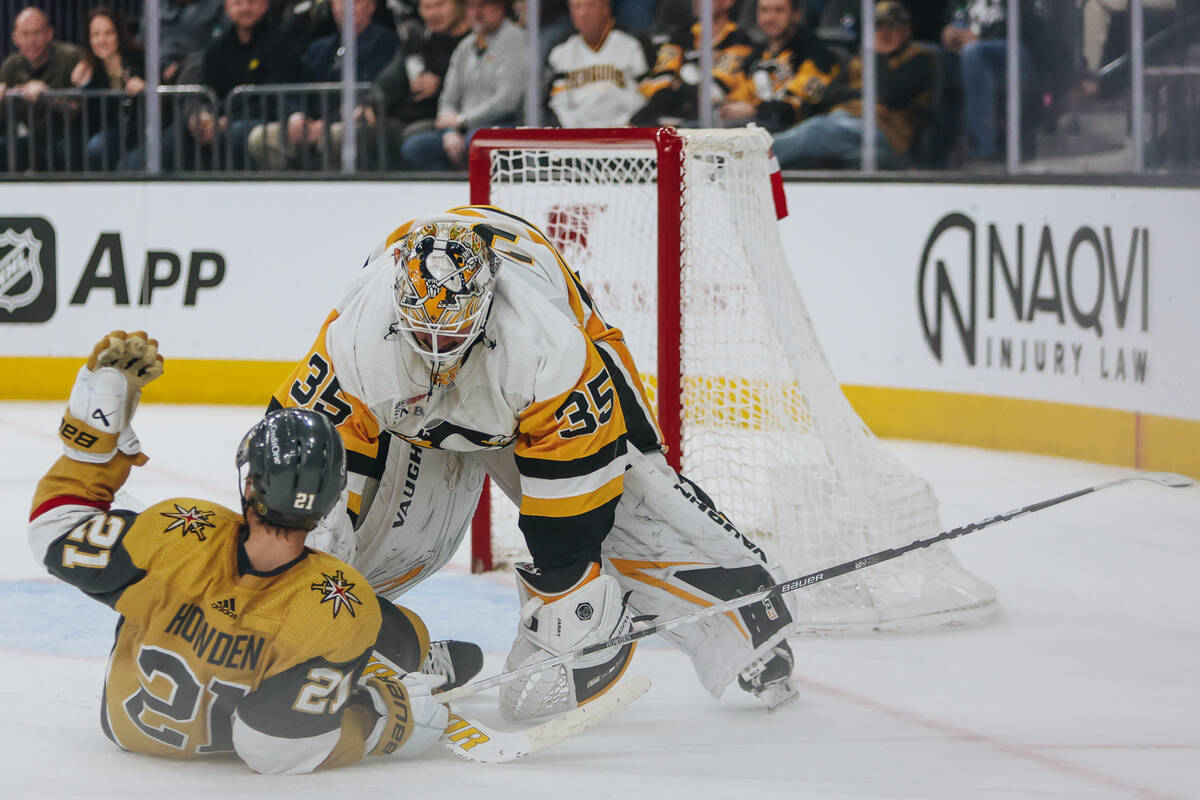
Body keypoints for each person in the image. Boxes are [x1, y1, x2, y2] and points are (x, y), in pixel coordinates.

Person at [270, 207, 798, 723]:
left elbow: (571, 508)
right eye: (423, 335)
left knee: (642, 505)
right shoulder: (356, 338)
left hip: (527, 393)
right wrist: (300, 584)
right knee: (355, 547)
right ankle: (361, 645)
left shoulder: (545, 345)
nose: (436, 352)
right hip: (405, 409)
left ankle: (746, 626)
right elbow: (307, 467)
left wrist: (568, 590)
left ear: (485, 305)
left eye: (450, 336)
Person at [28, 331, 453, 773]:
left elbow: (52, 529)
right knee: (378, 628)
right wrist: (380, 720)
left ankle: (373, 668)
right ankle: (403, 662)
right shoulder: (343, 601)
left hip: (128, 728)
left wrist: (93, 443)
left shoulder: (176, 530)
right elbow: (273, 750)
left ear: (250, 483)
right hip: (265, 713)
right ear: (332, 497)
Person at [122, 0, 304, 171]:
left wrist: (226, 121)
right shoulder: (219, 46)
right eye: (238, 3)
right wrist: (202, 115)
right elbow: (204, 88)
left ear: (265, 4)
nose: (245, 8)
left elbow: (273, 99)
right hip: (220, 120)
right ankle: (129, 174)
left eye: (251, 2)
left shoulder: (281, 42)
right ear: (227, 7)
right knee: (181, 133)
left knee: (236, 133)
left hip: (263, 119)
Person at [772, 1, 936, 169]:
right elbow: (828, 94)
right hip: (844, 123)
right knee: (820, 141)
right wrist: (862, 93)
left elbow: (890, 95)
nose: (884, 33)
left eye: (892, 27)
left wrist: (878, 55)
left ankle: (762, 155)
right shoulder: (857, 61)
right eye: (879, 27)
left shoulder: (918, 60)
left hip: (885, 131)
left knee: (817, 131)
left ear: (906, 31)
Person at [246, 0, 398, 170]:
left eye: (355, 2)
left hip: (351, 120)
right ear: (332, 8)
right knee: (261, 137)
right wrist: (298, 115)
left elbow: (372, 89)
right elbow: (298, 86)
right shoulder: (320, 47)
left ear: (371, 7)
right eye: (340, 3)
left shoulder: (386, 43)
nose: (346, 8)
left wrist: (327, 122)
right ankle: (290, 182)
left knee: (335, 136)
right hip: (311, 122)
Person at [399, 0, 524, 170]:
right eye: (472, 7)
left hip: (505, 126)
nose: (476, 13)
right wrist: (450, 131)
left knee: (476, 142)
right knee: (416, 147)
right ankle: (450, 186)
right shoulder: (466, 46)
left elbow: (507, 101)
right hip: (464, 129)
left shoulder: (518, 41)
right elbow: (448, 98)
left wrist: (462, 120)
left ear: (500, 8)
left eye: (483, 6)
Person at [359, 0, 471, 169]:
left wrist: (440, 86)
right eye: (426, 7)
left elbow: (476, 88)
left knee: (414, 138)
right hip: (407, 115)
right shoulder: (420, 39)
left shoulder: (471, 43)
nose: (432, 14)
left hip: (443, 119)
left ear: (459, 6)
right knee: (360, 132)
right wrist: (371, 103)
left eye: (439, 5)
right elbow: (392, 77)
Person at [940, 0, 1046, 162]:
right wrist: (947, 32)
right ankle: (935, 149)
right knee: (936, 56)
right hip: (971, 49)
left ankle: (983, 146)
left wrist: (981, 36)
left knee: (972, 53)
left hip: (1015, 49)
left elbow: (1031, 24)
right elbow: (951, 17)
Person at [717, 0, 842, 132]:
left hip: (796, 132)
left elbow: (800, 106)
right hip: (757, 126)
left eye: (779, 10)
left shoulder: (817, 54)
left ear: (796, 15)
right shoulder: (756, 55)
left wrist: (754, 110)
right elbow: (738, 92)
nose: (770, 18)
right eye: (764, 10)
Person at [633, 0, 755, 126]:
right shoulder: (680, 35)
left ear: (727, 2)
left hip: (718, 121)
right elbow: (657, 81)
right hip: (672, 116)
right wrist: (687, 90)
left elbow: (716, 91)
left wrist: (679, 86)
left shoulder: (738, 39)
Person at [0, 7, 83, 172]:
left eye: (37, 33)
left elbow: (80, 108)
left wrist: (48, 96)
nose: (31, 41)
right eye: (25, 34)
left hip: (70, 137)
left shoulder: (71, 56)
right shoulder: (10, 66)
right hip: (32, 139)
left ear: (49, 34)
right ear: (15, 38)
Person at [545, 0, 648, 127]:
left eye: (591, 5)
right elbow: (556, 103)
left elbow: (649, 93)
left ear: (606, 8)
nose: (584, 13)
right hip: (576, 134)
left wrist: (634, 123)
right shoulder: (559, 52)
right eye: (577, 7)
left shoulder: (633, 43)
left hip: (627, 131)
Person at [70, 7, 146, 171]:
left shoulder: (140, 58)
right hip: (112, 135)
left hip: (142, 134)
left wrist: (145, 88)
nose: (102, 40)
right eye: (95, 35)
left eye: (108, 33)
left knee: (128, 164)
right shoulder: (89, 69)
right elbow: (90, 121)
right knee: (94, 147)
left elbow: (163, 100)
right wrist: (85, 86)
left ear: (119, 34)